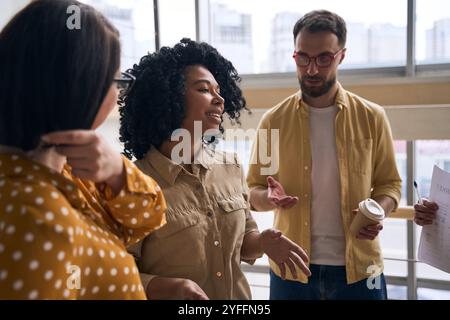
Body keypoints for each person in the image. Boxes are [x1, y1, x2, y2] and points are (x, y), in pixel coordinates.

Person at [120, 38, 311, 300]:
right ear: (169, 96)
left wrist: (264, 243)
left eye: (219, 90)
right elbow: (114, 272)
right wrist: (164, 287)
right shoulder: (132, 183)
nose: (219, 99)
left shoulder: (230, 166)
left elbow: (244, 240)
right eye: (204, 89)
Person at [0, 0, 166, 299]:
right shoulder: (33, 215)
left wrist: (117, 172)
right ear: (80, 86)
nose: (118, 94)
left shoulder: (69, 166)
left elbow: (149, 217)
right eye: (116, 80)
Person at [246, 10, 402, 300]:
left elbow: (390, 186)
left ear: (341, 56)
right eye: (303, 58)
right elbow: (252, 189)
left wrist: (377, 211)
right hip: (291, 268)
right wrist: (269, 198)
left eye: (324, 58)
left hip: (361, 268)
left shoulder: (372, 117)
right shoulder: (273, 121)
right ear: (295, 56)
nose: (312, 69)